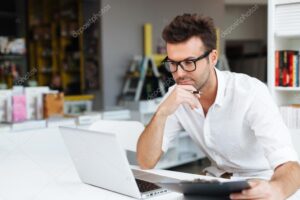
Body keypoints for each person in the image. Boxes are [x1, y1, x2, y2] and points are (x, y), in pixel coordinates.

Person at [136, 13, 300, 200]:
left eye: (189, 62)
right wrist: (162, 112)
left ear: (212, 58)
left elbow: (291, 167)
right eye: (173, 64)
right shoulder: (176, 95)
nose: (179, 73)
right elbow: (145, 161)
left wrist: (276, 190)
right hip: (217, 184)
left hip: (261, 184)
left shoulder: (251, 93)